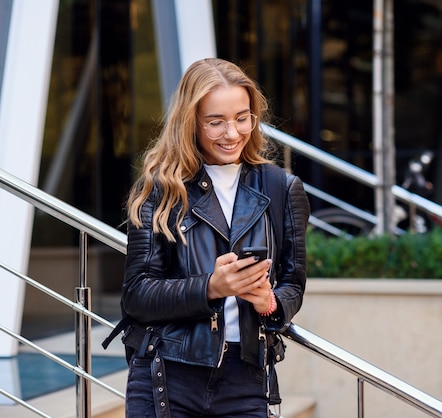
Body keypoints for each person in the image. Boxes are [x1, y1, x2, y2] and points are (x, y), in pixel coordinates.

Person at [108, 57, 310, 418]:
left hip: (246, 379)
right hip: (167, 371)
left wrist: (269, 302)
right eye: (215, 122)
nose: (232, 133)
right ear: (191, 123)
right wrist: (211, 287)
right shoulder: (160, 189)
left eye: (241, 118)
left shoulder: (282, 188)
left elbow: (293, 283)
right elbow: (137, 295)